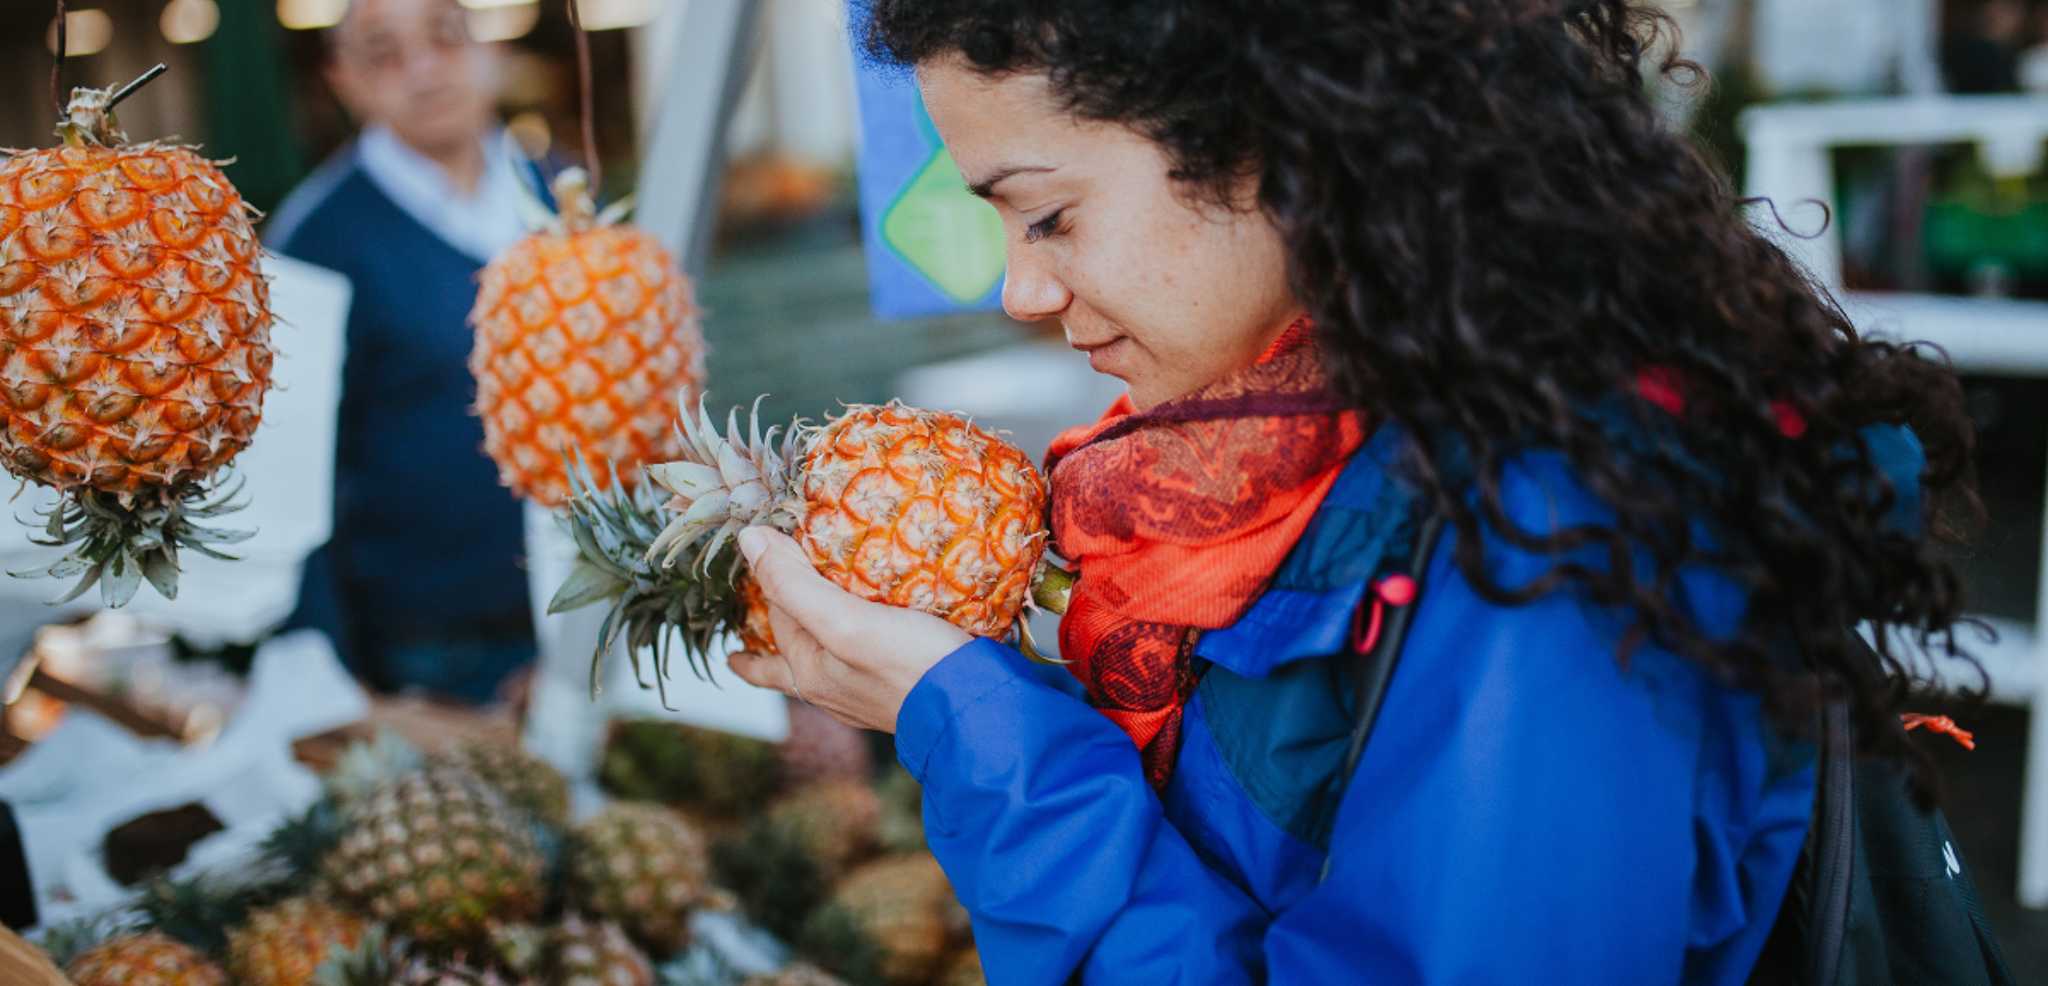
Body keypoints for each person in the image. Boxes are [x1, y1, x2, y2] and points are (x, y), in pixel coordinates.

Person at [726, 1, 1981, 982]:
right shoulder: (1295, 446)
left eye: (1046, 215)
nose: (1019, 290)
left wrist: (983, 733)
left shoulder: (1558, 538)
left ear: (1285, 138)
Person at [267, 0, 541, 703]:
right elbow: (291, 481)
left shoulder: (557, 192)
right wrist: (335, 682)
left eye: (444, 37)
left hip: (586, 622)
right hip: (432, 654)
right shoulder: (315, 242)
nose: (422, 69)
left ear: (485, 46)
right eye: (384, 53)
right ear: (341, 79)